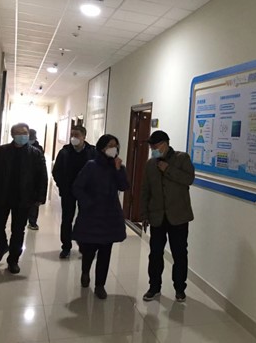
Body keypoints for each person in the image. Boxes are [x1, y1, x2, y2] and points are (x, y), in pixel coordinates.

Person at [0, 122, 48, 274]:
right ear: (12, 135)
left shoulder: (35, 153)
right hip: (1, 195)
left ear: (28, 134)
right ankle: (2, 247)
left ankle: (13, 260)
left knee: (18, 231)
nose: (22, 136)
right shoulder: (1, 151)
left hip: (24, 198)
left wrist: (40, 197)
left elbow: (42, 177)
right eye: (18, 133)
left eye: (24, 133)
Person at [140, 130, 195, 303]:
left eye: (155, 146)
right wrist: (144, 214)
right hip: (157, 217)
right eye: (151, 147)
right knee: (155, 253)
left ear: (165, 144)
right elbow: (145, 190)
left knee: (179, 254)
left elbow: (189, 179)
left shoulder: (182, 158)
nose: (153, 149)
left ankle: (180, 289)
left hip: (178, 216)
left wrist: (168, 169)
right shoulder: (150, 164)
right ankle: (154, 287)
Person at [72, 134, 129, 299]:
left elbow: (124, 186)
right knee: (89, 250)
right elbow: (77, 187)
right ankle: (85, 272)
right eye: (110, 145)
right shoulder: (91, 166)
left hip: (110, 216)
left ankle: (100, 285)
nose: (114, 149)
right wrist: (88, 203)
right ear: (102, 148)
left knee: (105, 252)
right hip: (92, 215)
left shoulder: (118, 166)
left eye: (116, 145)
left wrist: (118, 170)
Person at [52, 125, 96, 258]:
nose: (73, 138)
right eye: (72, 135)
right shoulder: (64, 152)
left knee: (85, 219)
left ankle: (84, 246)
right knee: (67, 219)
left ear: (84, 137)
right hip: (68, 191)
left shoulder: (92, 152)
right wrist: (62, 186)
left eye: (76, 135)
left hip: (86, 192)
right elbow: (56, 171)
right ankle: (66, 247)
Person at [27, 128, 44, 230]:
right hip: (23, 179)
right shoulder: (21, 147)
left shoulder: (38, 149)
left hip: (34, 180)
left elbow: (41, 167)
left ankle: (32, 222)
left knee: (34, 203)